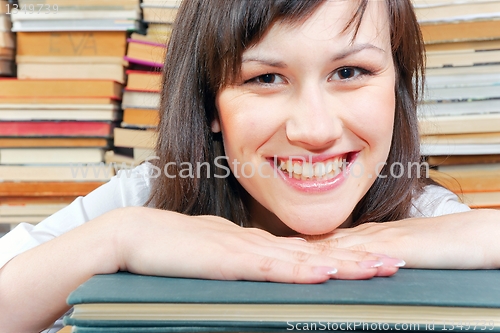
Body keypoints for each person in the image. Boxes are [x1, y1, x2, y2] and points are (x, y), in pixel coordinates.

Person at [1, 0, 499, 331]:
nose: (315, 129)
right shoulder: (145, 197)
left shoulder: (426, 214)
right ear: (210, 105)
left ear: (397, 87)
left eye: (350, 72)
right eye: (265, 78)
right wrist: (116, 237)